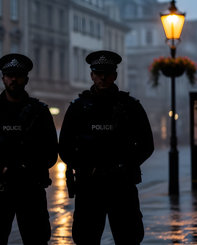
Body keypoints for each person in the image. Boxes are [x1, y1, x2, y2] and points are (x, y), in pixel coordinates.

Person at [59, 50, 154, 245]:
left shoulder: (130, 106)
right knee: (85, 238)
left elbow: (147, 144)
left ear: (115, 75)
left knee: (129, 238)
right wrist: (85, 167)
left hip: (122, 185)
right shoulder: (78, 107)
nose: (102, 77)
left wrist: (125, 165)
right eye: (98, 72)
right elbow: (65, 146)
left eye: (107, 73)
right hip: (89, 186)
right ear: (91, 75)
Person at [0, 53, 58, 245]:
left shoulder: (40, 112)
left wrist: (28, 168)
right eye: (9, 75)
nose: (13, 79)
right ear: (3, 78)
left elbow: (52, 151)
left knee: (36, 238)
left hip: (31, 189)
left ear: (26, 79)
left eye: (18, 75)